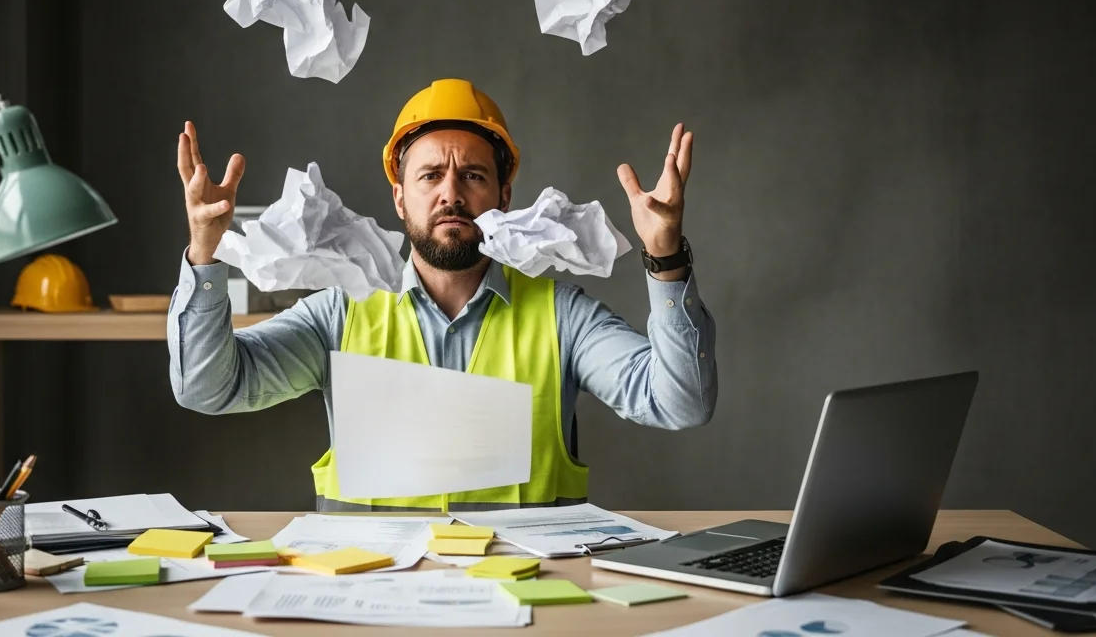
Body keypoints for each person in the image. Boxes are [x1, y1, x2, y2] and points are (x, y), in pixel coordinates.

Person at [168, 78, 717, 511]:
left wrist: (665, 255)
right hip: (371, 599)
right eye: (430, 176)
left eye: (472, 176)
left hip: (527, 599)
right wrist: (204, 252)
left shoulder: (562, 316)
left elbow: (680, 403)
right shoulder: (339, 314)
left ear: (503, 195)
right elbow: (208, 389)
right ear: (400, 198)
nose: (451, 194)